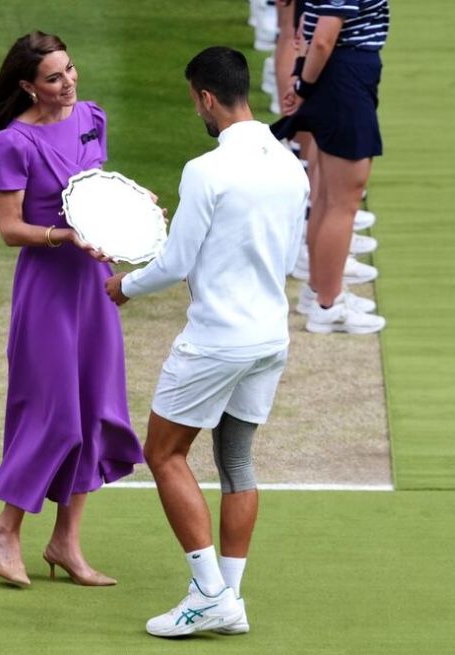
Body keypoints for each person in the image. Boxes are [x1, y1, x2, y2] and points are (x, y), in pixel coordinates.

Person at [105, 46, 309, 637]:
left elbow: (173, 263)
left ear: (206, 98)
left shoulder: (206, 170)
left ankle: (207, 591)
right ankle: (229, 601)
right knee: (236, 460)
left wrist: (125, 286)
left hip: (218, 339)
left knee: (164, 453)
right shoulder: (290, 165)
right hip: (271, 336)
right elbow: (280, 253)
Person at [0, 31, 144, 588]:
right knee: (53, 416)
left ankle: (65, 543)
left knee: (94, 410)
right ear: (27, 85)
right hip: (47, 291)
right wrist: (64, 236)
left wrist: (132, 219)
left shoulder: (93, 116)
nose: (68, 82)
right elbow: (8, 229)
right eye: (53, 77)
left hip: (95, 289)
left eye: (70, 69)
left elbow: (100, 195)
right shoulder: (11, 142)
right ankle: (4, 529)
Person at [274, 0, 390, 334]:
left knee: (326, 194)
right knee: (343, 200)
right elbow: (324, 35)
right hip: (342, 78)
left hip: (336, 74)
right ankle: (329, 304)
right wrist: (302, 86)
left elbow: (308, 24)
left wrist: (302, 77)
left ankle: (319, 292)